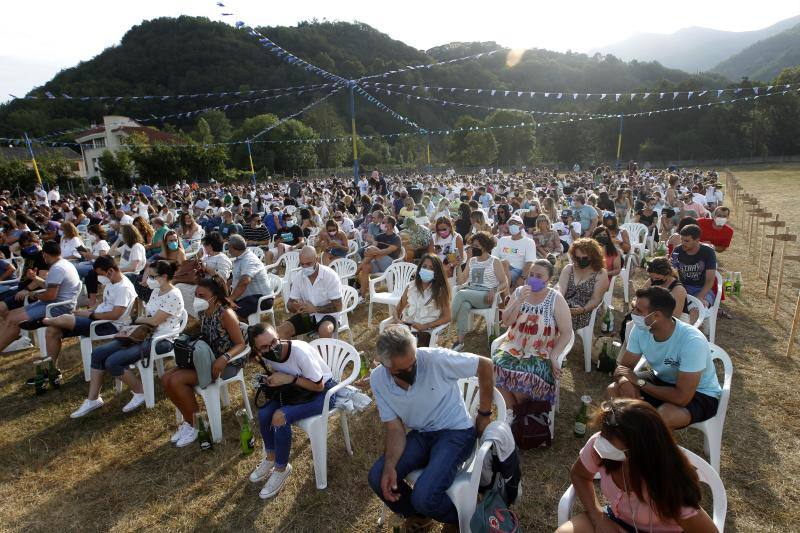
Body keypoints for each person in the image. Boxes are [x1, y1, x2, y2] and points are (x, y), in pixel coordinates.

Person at [367, 325, 495, 531]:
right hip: (422, 433)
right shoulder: (378, 379)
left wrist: (484, 414)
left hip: (456, 432)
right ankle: (420, 515)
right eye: (402, 370)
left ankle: (460, 519)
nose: (411, 371)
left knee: (424, 496)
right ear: (385, 365)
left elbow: (486, 365)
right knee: (378, 477)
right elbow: (395, 429)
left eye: (413, 363)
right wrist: (390, 465)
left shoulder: (435, 359)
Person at [555, 398, 718, 533]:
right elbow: (580, 475)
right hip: (616, 520)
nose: (600, 444)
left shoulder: (670, 485)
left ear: (641, 449)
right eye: (603, 435)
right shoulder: (600, 445)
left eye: (610, 442)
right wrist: (599, 519)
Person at [70, 260, 185, 418]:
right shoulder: (157, 291)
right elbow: (148, 316)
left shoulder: (174, 295)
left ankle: (140, 391)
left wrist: (137, 320)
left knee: (112, 361)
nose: (147, 280)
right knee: (98, 353)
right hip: (143, 334)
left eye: (152, 277)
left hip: (162, 340)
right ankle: (93, 399)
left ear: (164, 277)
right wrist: (138, 320)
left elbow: (154, 321)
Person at [247, 323, 339, 499]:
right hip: (296, 390)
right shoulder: (265, 356)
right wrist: (272, 380)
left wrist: (289, 378)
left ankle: (281, 468)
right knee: (264, 414)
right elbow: (278, 369)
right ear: (257, 349)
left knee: (279, 417)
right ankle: (271, 458)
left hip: (323, 393)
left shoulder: (299, 351)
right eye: (264, 347)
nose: (272, 348)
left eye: (274, 341)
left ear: (278, 335)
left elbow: (318, 385)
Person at [608, 286, 721, 430]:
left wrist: (640, 383)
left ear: (657, 316)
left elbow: (682, 397)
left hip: (700, 393)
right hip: (663, 380)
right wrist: (625, 382)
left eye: (639, 311)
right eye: (634, 308)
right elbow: (623, 369)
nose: (633, 314)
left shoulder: (692, 341)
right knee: (614, 390)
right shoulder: (640, 329)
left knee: (663, 416)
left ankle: (640, 445)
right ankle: (620, 435)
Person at [162, 276, 248, 447]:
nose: (197, 299)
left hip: (226, 364)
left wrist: (224, 359)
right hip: (206, 360)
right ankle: (189, 421)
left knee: (177, 380)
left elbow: (240, 344)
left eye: (201, 295)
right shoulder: (203, 312)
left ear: (214, 297)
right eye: (196, 295)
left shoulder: (226, 314)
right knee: (165, 378)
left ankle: (198, 425)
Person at [494, 259, 572, 421]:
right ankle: (513, 414)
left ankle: (519, 415)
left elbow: (566, 332)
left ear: (548, 280)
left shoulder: (555, 299)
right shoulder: (519, 292)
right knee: (494, 368)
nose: (533, 278)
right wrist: (519, 300)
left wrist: (554, 355)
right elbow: (506, 322)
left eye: (539, 276)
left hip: (540, 352)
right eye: (531, 274)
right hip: (513, 346)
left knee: (523, 377)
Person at [39, 256, 137, 384]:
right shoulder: (111, 283)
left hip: (110, 325)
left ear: (111, 271)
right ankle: (52, 370)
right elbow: (104, 305)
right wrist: (89, 311)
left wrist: (90, 315)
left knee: (65, 318)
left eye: (100, 275)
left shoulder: (123, 288)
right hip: (98, 319)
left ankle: (42, 321)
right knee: (52, 330)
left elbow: (115, 315)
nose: (99, 278)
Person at [0, 240, 81, 355]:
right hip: (55, 303)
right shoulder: (63, 264)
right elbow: (49, 287)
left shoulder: (57, 268)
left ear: (45, 255)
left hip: (57, 307)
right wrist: (35, 278)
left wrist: (36, 295)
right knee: (11, 315)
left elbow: (50, 295)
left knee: (14, 320)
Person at [451, 232, 508, 351]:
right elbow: (461, 281)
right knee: (464, 305)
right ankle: (460, 342)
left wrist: (494, 290)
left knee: (461, 294)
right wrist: (458, 266)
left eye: (476, 246)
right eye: (472, 246)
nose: (473, 249)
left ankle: (447, 320)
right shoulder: (471, 261)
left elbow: (504, 282)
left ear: (485, 246)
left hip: (487, 295)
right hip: (471, 292)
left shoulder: (494, 261)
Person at [383, 254, 451, 347]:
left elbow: (447, 317)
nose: (427, 270)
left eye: (431, 268)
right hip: (407, 328)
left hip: (425, 333)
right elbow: (398, 308)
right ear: (419, 268)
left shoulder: (440, 291)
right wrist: (397, 320)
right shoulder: (411, 286)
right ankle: (378, 362)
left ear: (436, 272)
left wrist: (426, 326)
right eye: (424, 266)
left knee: (395, 346)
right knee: (385, 336)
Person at [278, 246, 342, 340]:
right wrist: (294, 307)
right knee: (282, 330)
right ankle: (289, 353)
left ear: (316, 259)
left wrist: (315, 309)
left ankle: (325, 354)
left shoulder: (330, 276)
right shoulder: (298, 277)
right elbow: (290, 303)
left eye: (308, 264)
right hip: (307, 316)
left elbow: (338, 306)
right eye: (302, 264)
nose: (305, 267)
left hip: (329, 316)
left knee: (325, 330)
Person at [557, 238, 609, 330]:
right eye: (577, 257)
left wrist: (583, 309)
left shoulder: (600, 273)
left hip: (585, 311)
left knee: (554, 321)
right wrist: (561, 304)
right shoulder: (569, 269)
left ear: (593, 256)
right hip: (565, 306)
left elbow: (596, 299)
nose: (581, 260)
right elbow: (561, 289)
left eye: (585, 258)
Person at [228, 234, 274, 322]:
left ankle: (246, 330)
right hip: (250, 297)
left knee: (230, 313)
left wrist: (230, 299)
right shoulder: (241, 258)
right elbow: (238, 278)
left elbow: (244, 281)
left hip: (263, 298)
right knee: (226, 309)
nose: (228, 249)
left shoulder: (249, 260)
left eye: (228, 246)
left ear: (233, 247)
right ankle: (242, 327)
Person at [671, 224, 717, 308]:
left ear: (697, 240)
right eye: (682, 240)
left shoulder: (708, 252)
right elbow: (673, 271)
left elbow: (710, 280)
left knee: (697, 308)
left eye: (687, 241)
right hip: (682, 288)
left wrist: (700, 296)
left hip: (702, 289)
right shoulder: (678, 250)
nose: (683, 243)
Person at [357, 215, 402, 300]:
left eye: (383, 222)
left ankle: (357, 269)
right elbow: (372, 246)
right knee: (365, 267)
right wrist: (371, 251)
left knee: (372, 250)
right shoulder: (380, 236)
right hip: (377, 261)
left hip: (389, 264)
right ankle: (362, 295)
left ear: (389, 225)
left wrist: (376, 252)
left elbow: (389, 250)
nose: (381, 224)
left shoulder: (396, 238)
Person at [494, 215, 537, 288]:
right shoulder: (502, 240)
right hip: (500, 267)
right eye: (511, 223)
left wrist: (523, 278)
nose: (512, 225)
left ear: (522, 226)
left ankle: (505, 295)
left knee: (504, 264)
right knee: (503, 264)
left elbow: (529, 262)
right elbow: (495, 257)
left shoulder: (529, 242)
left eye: (516, 223)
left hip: (517, 270)